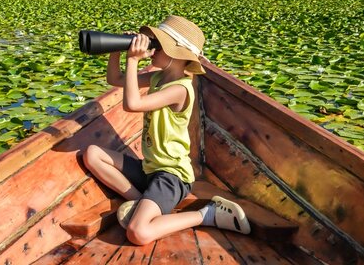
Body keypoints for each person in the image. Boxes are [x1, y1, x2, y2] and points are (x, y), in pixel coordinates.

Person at [83, 15, 250, 245]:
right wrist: (118, 50)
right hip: (150, 168)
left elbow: (132, 105)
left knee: (138, 233)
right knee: (92, 154)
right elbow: (115, 79)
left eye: (158, 44)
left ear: (178, 54)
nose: (152, 48)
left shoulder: (180, 89)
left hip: (172, 176)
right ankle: (143, 201)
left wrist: (133, 61)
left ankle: (207, 214)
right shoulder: (159, 77)